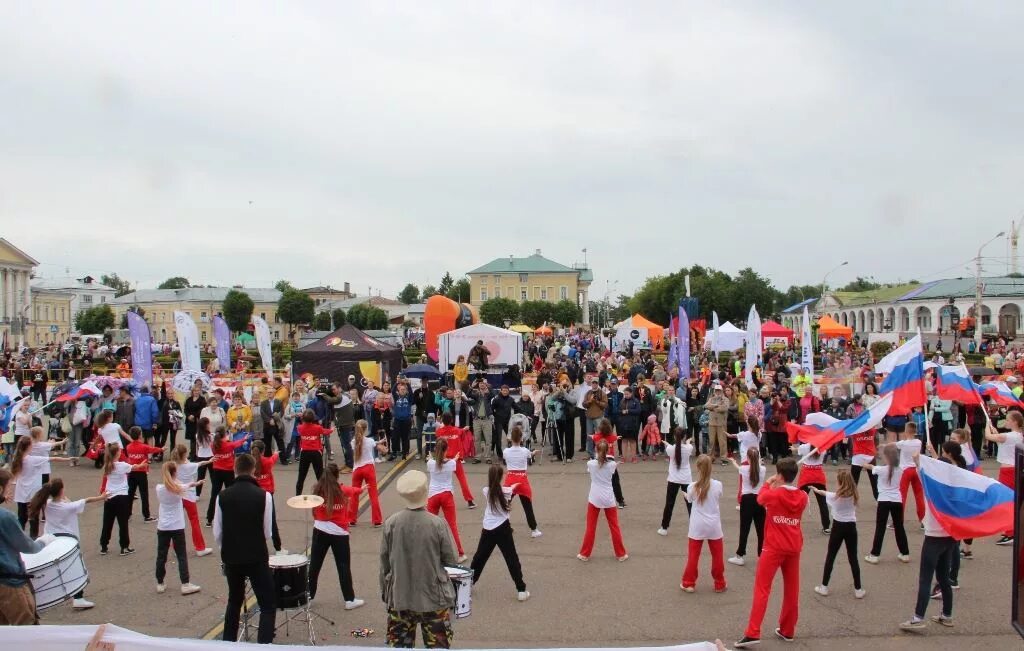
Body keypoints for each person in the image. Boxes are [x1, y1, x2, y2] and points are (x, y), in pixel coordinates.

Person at [734, 458, 809, 649]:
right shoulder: (803, 497)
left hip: (774, 546)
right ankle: (788, 629)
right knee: (792, 589)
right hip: (793, 546)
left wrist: (769, 482)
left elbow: (760, 498)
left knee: (762, 589)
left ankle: (752, 632)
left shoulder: (774, 495)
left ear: (780, 475)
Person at [380, 470, 458, 648]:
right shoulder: (437, 524)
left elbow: (384, 564)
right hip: (433, 598)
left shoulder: (391, 523)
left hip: (400, 597)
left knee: (399, 646)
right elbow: (451, 560)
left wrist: (387, 593)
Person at [215, 453, 276, 644]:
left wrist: (228, 547)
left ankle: (228, 642)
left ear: (235, 469)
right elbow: (267, 532)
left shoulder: (222, 496)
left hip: (232, 556)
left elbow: (218, 531)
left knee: (234, 600)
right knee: (267, 603)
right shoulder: (264, 496)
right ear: (253, 470)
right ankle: (264, 644)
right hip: (256, 555)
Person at [899, 444, 960, 631]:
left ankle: (918, 618)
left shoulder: (929, 483)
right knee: (943, 577)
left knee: (925, 578)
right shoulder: (954, 485)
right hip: (949, 536)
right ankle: (947, 614)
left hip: (933, 537)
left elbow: (916, 458)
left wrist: (925, 456)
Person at [30, 477, 106, 610]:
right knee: (74, 568)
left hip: (50, 539)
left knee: (50, 568)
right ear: (61, 490)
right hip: (67, 541)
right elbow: (87, 500)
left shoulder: (46, 503)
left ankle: (40, 595)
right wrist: (102, 497)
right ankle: (78, 598)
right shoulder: (67, 506)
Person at [309, 462, 366, 609]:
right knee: (343, 566)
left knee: (315, 565)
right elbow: (354, 490)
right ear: (337, 475)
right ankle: (349, 599)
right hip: (339, 533)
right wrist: (362, 489)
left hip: (320, 530)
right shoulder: (341, 490)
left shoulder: (317, 490)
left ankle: (308, 596)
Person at [470, 465, 530, 602]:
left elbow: (496, 489)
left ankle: (468, 584)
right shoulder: (507, 491)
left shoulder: (486, 491)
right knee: (511, 558)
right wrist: (517, 483)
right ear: (501, 477)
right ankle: (521, 589)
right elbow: (512, 488)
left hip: (488, 528)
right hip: (503, 528)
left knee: (479, 557)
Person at [0, 467, 52, 625]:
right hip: (9, 582)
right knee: (26, 628)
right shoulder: (5, 517)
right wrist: (43, 542)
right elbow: (27, 546)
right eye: (9, 487)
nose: (10, 491)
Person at [811, 470, 864, 599]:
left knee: (831, 557)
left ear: (840, 482)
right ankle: (858, 589)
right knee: (853, 558)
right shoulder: (854, 495)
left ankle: (824, 586)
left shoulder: (835, 496)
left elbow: (824, 493)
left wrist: (815, 489)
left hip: (838, 527)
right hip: (851, 527)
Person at [155, 461, 203, 596]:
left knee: (161, 555)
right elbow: (189, 484)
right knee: (181, 555)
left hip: (163, 525)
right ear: (174, 473)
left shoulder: (159, 488)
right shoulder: (179, 487)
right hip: (177, 525)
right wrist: (196, 483)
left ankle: (160, 582)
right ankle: (185, 583)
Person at [680, 455, 726, 592]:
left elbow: (689, 499)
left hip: (697, 525)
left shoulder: (692, 487)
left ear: (698, 468)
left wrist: (685, 495)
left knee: (693, 555)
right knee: (717, 556)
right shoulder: (718, 485)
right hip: (714, 525)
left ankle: (689, 582)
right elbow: (718, 496)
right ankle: (719, 583)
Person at [577, 440, 628, 562]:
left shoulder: (590, 464)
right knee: (614, 526)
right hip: (608, 498)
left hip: (594, 497)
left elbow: (596, 463)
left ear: (596, 450)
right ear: (608, 451)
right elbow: (610, 463)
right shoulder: (611, 465)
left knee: (591, 526)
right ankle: (621, 554)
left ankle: (585, 554)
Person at [12, 434, 70, 537]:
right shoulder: (32, 459)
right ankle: (33, 540)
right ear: (29, 446)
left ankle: (18, 539)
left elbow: (13, 476)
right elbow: (54, 459)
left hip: (20, 494)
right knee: (33, 519)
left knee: (21, 517)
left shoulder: (17, 458)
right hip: (33, 494)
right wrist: (69, 459)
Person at [864, 444, 911, 564]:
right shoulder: (900, 469)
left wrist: (864, 463)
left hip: (884, 500)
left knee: (880, 528)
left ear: (886, 457)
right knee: (899, 527)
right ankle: (905, 553)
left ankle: (875, 554)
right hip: (897, 500)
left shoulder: (881, 470)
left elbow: (870, 467)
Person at [99, 443, 148, 556]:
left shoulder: (107, 465)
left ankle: (104, 546)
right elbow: (135, 467)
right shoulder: (122, 465)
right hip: (121, 496)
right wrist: (142, 464)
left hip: (109, 495)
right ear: (117, 453)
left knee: (107, 522)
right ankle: (124, 546)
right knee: (123, 523)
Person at [168, 443, 213, 556]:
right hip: (188, 496)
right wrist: (209, 461)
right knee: (194, 521)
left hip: (177, 494)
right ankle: (200, 547)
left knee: (175, 520)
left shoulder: (172, 465)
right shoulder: (189, 466)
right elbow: (200, 464)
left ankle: (175, 546)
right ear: (184, 455)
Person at [985, 413, 1023, 545]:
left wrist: (987, 424)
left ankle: (1010, 532)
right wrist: (993, 429)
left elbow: (988, 436)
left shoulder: (1010, 436)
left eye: (1007, 420)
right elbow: (1000, 441)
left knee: (1006, 501)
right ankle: (1010, 530)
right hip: (1011, 469)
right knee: (1010, 500)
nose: (1005, 422)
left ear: (1014, 422)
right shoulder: (1016, 436)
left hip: (1008, 471)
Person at [426, 438, 467, 562]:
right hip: (446, 495)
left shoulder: (431, 463)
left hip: (433, 495)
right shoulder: (451, 464)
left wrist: (430, 458)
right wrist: (455, 457)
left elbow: (436, 462)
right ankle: (460, 553)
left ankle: (429, 553)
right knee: (452, 525)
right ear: (446, 450)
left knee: (429, 525)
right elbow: (450, 464)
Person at [728, 448, 766, 567]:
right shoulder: (763, 469)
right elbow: (757, 465)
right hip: (760, 500)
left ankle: (740, 555)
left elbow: (737, 466)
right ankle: (761, 555)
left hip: (747, 500)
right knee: (761, 530)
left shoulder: (743, 469)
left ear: (748, 458)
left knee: (744, 528)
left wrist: (733, 460)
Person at [206, 426, 250, 527]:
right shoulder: (228, 445)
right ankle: (232, 516)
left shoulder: (214, 445)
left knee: (214, 495)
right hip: (228, 471)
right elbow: (237, 444)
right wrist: (244, 438)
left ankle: (209, 518)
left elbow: (215, 452)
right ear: (225, 434)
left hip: (216, 471)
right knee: (231, 494)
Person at [503, 425, 542, 537]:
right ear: (521, 439)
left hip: (510, 479)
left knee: (505, 505)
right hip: (522, 480)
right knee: (527, 507)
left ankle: (505, 527)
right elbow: (530, 455)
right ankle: (534, 529)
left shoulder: (506, 451)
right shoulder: (525, 451)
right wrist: (534, 452)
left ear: (511, 439)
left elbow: (505, 458)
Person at [349, 419, 387, 527]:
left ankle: (352, 519)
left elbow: (368, 443)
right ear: (365, 429)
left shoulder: (353, 442)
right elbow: (375, 445)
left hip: (357, 469)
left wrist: (378, 442)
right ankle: (377, 520)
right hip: (369, 468)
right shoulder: (369, 441)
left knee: (354, 494)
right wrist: (382, 445)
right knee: (373, 495)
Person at [434, 412, 475, 507]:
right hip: (455, 460)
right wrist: (465, 429)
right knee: (462, 480)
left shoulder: (439, 432)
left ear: (442, 421)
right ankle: (469, 501)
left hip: (443, 460)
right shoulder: (457, 431)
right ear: (452, 420)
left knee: (440, 481)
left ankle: (438, 500)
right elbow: (462, 432)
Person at [657, 427, 693, 536]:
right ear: (684, 437)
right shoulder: (688, 448)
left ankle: (664, 527)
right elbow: (687, 445)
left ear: (674, 436)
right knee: (690, 503)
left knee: (669, 503)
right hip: (686, 478)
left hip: (673, 479)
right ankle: (695, 527)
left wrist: (667, 444)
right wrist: (688, 441)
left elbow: (671, 449)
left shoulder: (671, 449)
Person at [250, 440, 283, 553]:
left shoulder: (250, 462)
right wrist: (276, 453)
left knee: (255, 521)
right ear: (263, 451)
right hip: (268, 493)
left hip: (254, 493)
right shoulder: (267, 462)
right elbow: (273, 459)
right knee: (271, 521)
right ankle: (278, 548)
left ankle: (254, 548)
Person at [125, 426, 162, 522]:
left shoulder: (128, 447)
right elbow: (153, 449)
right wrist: (161, 449)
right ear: (140, 435)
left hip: (132, 472)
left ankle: (127, 513)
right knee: (144, 494)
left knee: (130, 494)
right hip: (141, 473)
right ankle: (146, 515)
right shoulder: (143, 447)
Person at [796, 442, 830, 534]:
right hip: (818, 476)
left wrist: (793, 448)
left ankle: (794, 523)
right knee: (822, 502)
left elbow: (798, 451)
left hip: (806, 476)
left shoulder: (804, 447)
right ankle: (826, 527)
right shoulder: (823, 446)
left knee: (798, 502)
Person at [295, 409, 332, 495]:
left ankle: (298, 494)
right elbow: (325, 431)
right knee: (319, 475)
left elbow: (300, 425)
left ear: (303, 418)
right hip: (315, 453)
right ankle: (324, 493)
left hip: (304, 453)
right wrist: (332, 429)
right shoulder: (317, 428)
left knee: (301, 476)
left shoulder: (299, 428)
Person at [896, 422, 925, 527]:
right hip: (916, 469)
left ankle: (898, 521)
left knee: (901, 496)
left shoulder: (903, 443)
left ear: (906, 431)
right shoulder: (918, 442)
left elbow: (892, 445)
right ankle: (923, 520)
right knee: (919, 496)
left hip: (905, 470)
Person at [705, 384, 729, 464]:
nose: (717, 392)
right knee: (711, 441)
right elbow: (706, 406)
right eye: (716, 390)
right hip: (712, 423)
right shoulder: (711, 398)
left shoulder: (725, 399)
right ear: (714, 391)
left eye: (719, 390)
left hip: (721, 423)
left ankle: (724, 458)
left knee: (722, 441)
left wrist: (713, 408)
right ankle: (711, 457)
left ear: (722, 391)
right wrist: (716, 406)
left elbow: (724, 408)